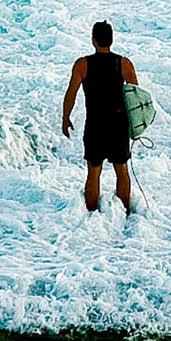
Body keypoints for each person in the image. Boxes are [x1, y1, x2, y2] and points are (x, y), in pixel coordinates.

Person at [61, 21, 139, 214]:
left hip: (95, 123)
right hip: (119, 123)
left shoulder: (83, 64)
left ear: (94, 40)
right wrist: (136, 125)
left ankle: (91, 213)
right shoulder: (124, 63)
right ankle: (125, 212)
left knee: (94, 171)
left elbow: (71, 93)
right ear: (111, 40)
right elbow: (136, 96)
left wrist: (66, 117)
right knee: (122, 170)